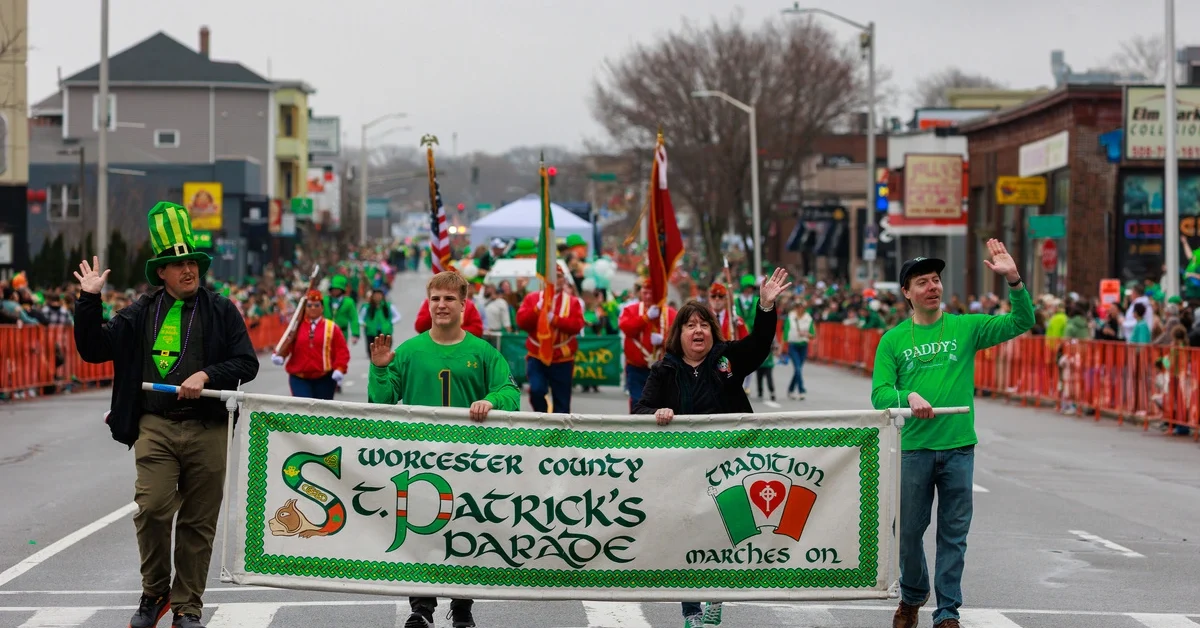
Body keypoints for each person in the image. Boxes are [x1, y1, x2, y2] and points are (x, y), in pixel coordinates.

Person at [73, 201, 259, 628]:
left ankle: (188, 606)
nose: (188, 270)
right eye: (178, 264)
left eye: (192, 261)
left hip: (209, 427)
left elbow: (246, 363)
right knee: (153, 508)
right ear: (161, 271)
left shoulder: (221, 309)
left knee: (198, 522)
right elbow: (94, 350)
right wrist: (89, 299)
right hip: (155, 424)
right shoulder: (141, 311)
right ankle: (155, 591)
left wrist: (208, 374)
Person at [870, 240, 1034, 628]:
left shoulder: (965, 327)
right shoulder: (892, 340)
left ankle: (947, 612)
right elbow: (879, 394)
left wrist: (1013, 279)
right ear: (907, 293)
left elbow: (1021, 322)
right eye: (922, 282)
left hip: (959, 448)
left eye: (936, 280)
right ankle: (912, 594)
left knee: (953, 536)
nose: (933, 286)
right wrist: (905, 395)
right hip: (913, 450)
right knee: (908, 532)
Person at [634, 267, 791, 628]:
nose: (698, 330)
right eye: (690, 325)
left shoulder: (727, 360)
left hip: (728, 467)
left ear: (712, 330)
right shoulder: (664, 370)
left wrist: (766, 306)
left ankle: (716, 593)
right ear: (680, 334)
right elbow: (639, 410)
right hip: (681, 470)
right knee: (686, 537)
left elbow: (760, 344)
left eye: (703, 324)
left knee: (724, 532)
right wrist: (656, 412)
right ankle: (691, 612)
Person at [367, 271, 521, 628]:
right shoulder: (409, 351)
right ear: (428, 303)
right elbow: (383, 400)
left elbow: (510, 394)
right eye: (435, 298)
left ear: (464, 306)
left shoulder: (483, 352)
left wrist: (490, 399)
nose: (441, 305)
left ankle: (462, 606)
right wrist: (378, 370)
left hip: (469, 460)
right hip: (420, 459)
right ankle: (421, 608)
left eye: (449, 299)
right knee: (421, 530)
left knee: (465, 529)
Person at [516, 273, 585, 413]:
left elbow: (577, 325)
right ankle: (542, 421)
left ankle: (560, 433)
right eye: (553, 275)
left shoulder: (572, 302)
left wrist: (555, 319)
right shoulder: (533, 298)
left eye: (559, 276)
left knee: (562, 402)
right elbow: (521, 322)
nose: (555, 279)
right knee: (536, 390)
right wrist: (536, 309)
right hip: (537, 355)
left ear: (564, 280)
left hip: (562, 357)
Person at [271, 289, 350, 399]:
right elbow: (286, 342)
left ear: (322, 308)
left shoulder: (331, 328)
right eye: (309, 305)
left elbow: (342, 350)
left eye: (316, 305)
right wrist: (279, 355)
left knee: (322, 413)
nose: (313, 308)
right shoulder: (295, 326)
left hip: (324, 377)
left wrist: (340, 368)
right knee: (303, 411)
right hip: (299, 377)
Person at [618, 283, 677, 410]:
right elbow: (626, 328)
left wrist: (663, 341)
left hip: (663, 369)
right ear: (640, 293)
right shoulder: (631, 310)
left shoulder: (671, 314)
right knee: (637, 402)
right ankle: (636, 430)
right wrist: (646, 318)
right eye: (645, 292)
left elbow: (679, 340)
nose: (648, 296)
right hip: (636, 368)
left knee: (661, 404)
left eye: (652, 293)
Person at [782, 300, 814, 400]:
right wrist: (782, 347)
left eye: (801, 307)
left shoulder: (808, 319)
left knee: (798, 369)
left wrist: (806, 334)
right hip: (793, 345)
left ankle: (791, 390)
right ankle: (801, 390)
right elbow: (785, 332)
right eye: (797, 306)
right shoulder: (790, 317)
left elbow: (813, 334)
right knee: (798, 369)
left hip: (803, 346)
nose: (799, 309)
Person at [359, 288, 402, 358]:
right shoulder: (367, 307)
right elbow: (360, 318)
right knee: (372, 354)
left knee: (385, 354)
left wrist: (389, 322)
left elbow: (398, 316)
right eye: (375, 295)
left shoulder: (388, 306)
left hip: (385, 333)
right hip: (371, 333)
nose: (377, 297)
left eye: (379, 295)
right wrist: (365, 324)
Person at [323, 274, 361, 346]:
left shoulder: (349, 302)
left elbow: (354, 318)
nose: (335, 291)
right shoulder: (325, 300)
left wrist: (355, 333)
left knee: (341, 353)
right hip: (326, 332)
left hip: (342, 333)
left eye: (337, 289)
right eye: (333, 289)